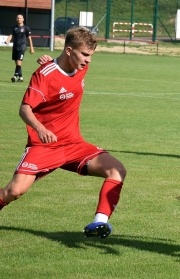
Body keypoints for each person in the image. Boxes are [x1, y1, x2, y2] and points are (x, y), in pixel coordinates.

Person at [0, 27, 126, 238]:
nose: (89, 60)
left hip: (73, 144)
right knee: (14, 191)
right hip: (45, 145)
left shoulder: (80, 66)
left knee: (117, 170)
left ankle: (99, 223)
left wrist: (53, 60)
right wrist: (40, 129)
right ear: (69, 50)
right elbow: (24, 109)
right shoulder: (44, 75)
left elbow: (66, 63)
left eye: (91, 55)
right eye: (85, 54)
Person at [4, 14, 35, 83]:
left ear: (23, 19)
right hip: (15, 47)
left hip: (22, 47)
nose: (19, 19)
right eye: (18, 18)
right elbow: (11, 35)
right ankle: (20, 77)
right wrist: (7, 40)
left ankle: (15, 76)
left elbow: (29, 38)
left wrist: (31, 48)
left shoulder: (26, 28)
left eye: (20, 18)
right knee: (17, 63)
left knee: (19, 62)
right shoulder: (14, 28)